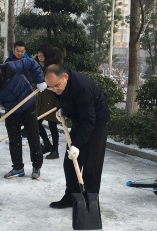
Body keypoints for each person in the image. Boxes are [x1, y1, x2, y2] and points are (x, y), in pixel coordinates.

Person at [45, 64, 110, 209]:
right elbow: (64, 96)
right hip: (80, 120)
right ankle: (72, 196)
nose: (54, 90)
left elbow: (89, 121)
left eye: (56, 86)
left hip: (97, 123)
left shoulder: (82, 88)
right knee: (70, 163)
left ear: (65, 77)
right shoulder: (56, 84)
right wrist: (63, 108)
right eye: (51, 87)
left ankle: (90, 202)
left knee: (91, 166)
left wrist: (77, 145)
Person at [0, 58, 47, 180]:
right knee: (14, 138)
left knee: (32, 135)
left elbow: (31, 63)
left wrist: (40, 80)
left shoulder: (11, 68)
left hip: (27, 103)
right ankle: (17, 167)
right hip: (11, 110)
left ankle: (37, 166)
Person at [36, 43, 64, 159]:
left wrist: (60, 100)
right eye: (38, 56)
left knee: (52, 125)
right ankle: (47, 144)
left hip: (53, 99)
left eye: (42, 56)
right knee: (37, 123)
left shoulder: (55, 67)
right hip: (42, 98)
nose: (40, 58)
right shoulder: (39, 65)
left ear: (47, 56)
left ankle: (55, 150)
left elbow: (61, 84)